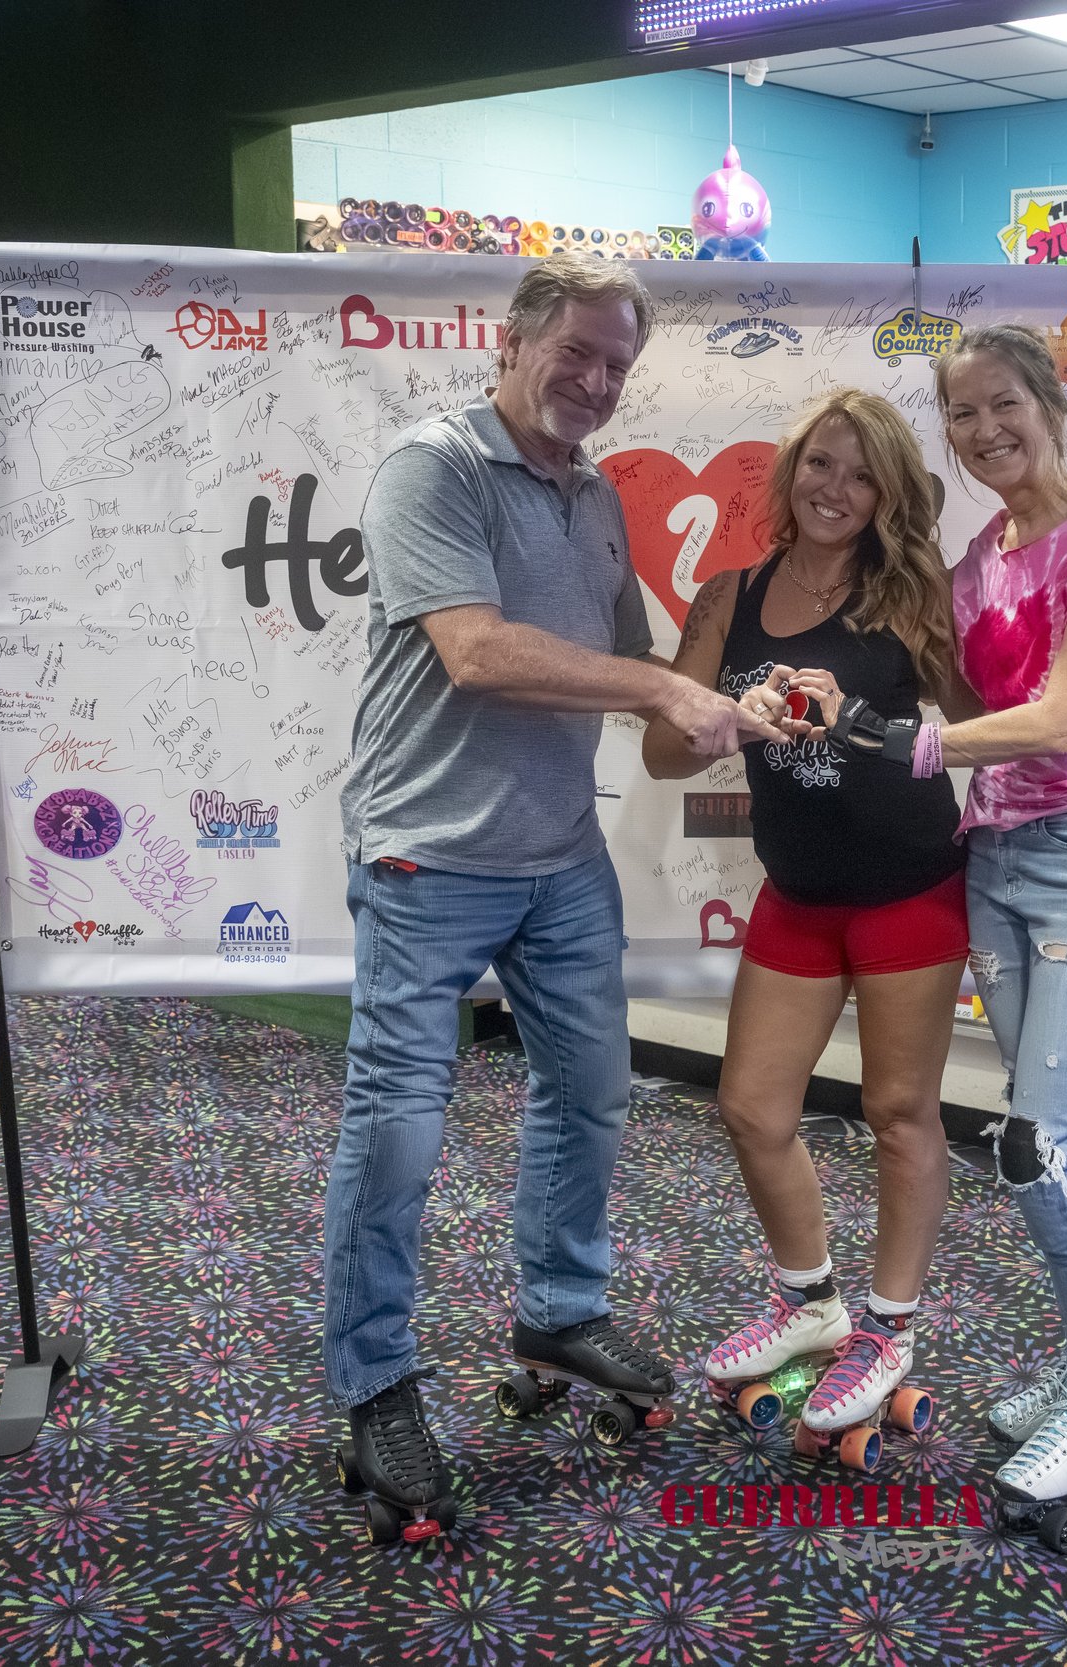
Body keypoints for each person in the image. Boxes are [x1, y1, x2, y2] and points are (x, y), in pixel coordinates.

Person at [330, 253, 784, 1539]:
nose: (592, 382)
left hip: (555, 857)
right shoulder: (436, 466)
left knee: (587, 1090)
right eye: (573, 353)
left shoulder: (592, 500)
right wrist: (652, 690)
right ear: (514, 343)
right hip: (425, 854)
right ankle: (373, 1383)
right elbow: (474, 651)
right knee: (400, 1124)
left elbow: (618, 665)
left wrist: (710, 703)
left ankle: (559, 1309)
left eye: (615, 366)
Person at [818, 322, 1067, 1519]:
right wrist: (858, 685)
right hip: (1000, 858)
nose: (983, 430)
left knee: (1041, 1140)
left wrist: (911, 741)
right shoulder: (978, 559)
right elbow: (969, 702)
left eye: (1002, 402)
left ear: (1049, 400)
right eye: (961, 413)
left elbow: (1066, 716)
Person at [641, 388, 968, 1445]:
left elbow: (979, 723)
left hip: (909, 890)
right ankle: (810, 1301)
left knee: (897, 1112)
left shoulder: (914, 590)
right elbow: (659, 748)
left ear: (889, 494)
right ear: (790, 473)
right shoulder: (729, 594)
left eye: (862, 473)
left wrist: (867, 722)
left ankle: (889, 1325)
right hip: (798, 893)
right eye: (821, 464)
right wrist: (728, 720)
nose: (837, 489)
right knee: (751, 1106)